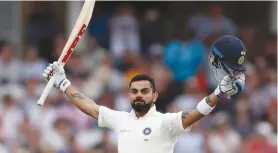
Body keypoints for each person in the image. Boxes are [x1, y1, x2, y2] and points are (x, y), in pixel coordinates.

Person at [42, 35, 246, 153]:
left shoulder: (166, 122)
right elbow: (89, 106)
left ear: (155, 96)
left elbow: (194, 114)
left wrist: (217, 93)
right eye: (134, 92)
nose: (139, 95)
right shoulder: (120, 119)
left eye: (144, 91)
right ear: (129, 96)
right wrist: (62, 82)